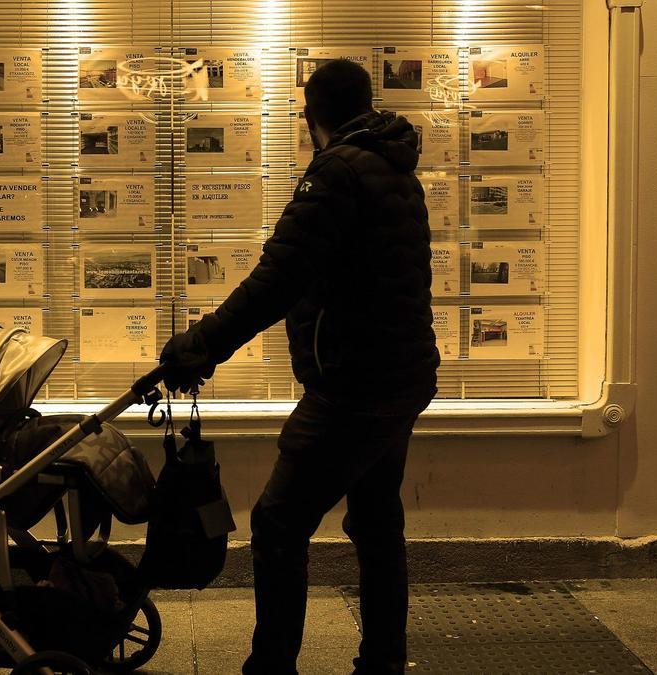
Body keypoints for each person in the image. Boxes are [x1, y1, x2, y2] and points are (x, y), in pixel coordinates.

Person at [159, 59, 440, 675]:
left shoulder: (338, 170)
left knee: (279, 520)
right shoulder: (396, 167)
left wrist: (200, 344)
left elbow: (279, 278)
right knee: (375, 520)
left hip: (354, 387)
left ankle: (272, 667)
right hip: (401, 377)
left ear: (311, 115)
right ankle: (383, 660)